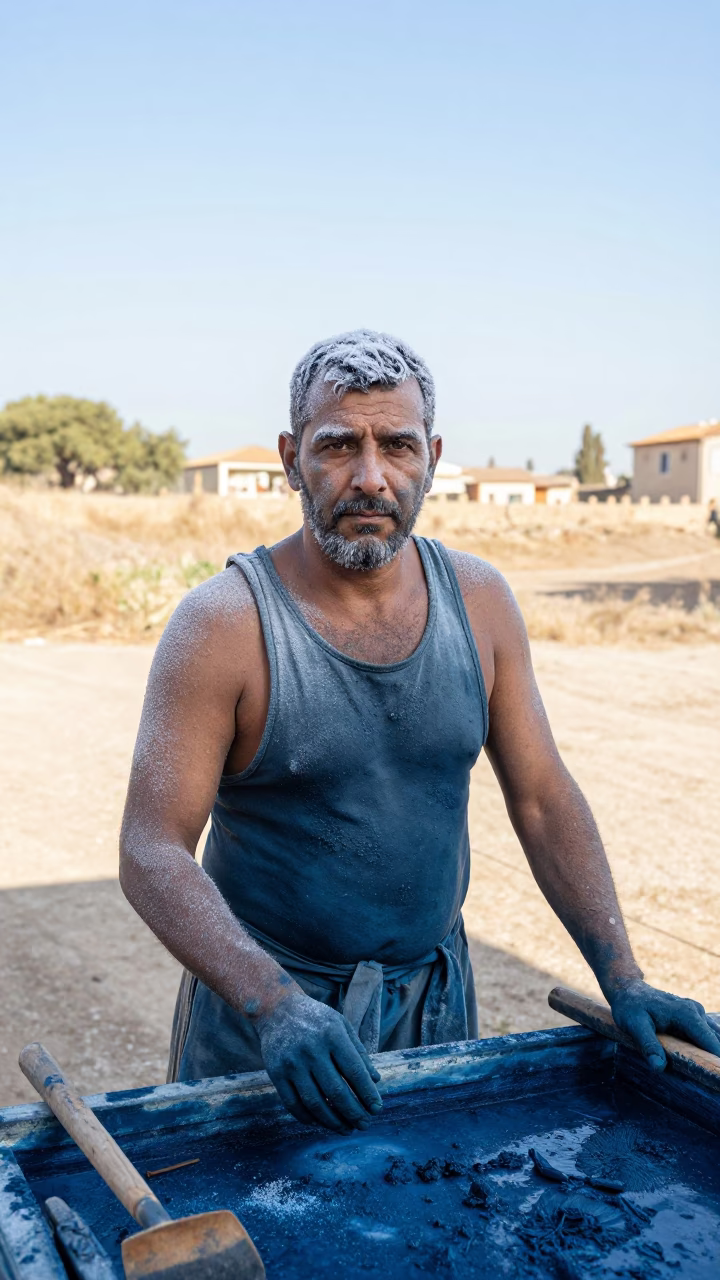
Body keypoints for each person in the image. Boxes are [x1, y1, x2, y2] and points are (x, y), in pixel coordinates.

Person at [120, 330, 720, 1135]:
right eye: (338, 446)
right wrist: (273, 1003)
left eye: (397, 445)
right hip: (267, 1028)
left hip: (434, 1009)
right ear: (292, 459)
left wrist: (625, 978)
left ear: (431, 456)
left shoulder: (480, 602)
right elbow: (152, 848)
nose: (371, 477)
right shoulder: (224, 626)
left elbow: (542, 798)